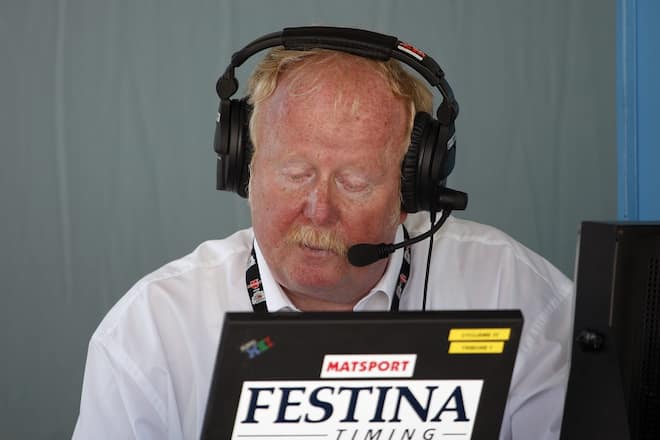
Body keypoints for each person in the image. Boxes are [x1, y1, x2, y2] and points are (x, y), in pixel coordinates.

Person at [73, 41, 573, 439]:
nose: (318, 209)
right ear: (246, 172)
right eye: (295, 174)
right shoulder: (152, 330)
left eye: (354, 183)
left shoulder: (513, 291)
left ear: (411, 193)